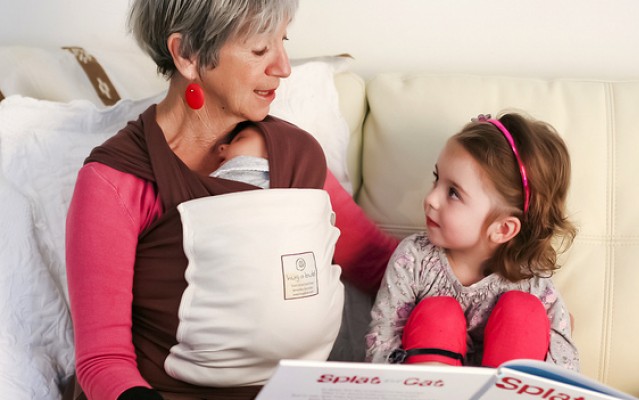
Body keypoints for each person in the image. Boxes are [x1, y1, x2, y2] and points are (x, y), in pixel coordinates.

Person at [63, 1, 397, 399]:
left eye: (282, 41)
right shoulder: (116, 180)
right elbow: (102, 361)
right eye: (259, 50)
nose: (283, 67)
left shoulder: (294, 154)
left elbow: (379, 265)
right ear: (187, 55)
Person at [365, 112, 579, 371]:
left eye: (453, 192)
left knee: (525, 313)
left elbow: (565, 363)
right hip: (426, 385)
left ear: (503, 229)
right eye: (436, 178)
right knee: (437, 314)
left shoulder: (532, 281)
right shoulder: (413, 259)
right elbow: (381, 341)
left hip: (504, 390)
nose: (431, 198)